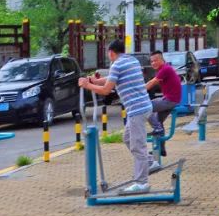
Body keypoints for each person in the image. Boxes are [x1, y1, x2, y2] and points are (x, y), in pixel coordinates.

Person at [78, 39, 153, 194]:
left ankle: (142, 183)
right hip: (143, 107)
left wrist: (88, 85)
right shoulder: (131, 60)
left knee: (137, 146)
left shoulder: (117, 65)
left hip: (137, 110)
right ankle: (149, 162)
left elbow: (106, 90)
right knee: (127, 138)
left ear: (111, 52)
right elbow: (112, 79)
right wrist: (96, 81)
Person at [145, 51, 183, 138]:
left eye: (155, 60)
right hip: (169, 100)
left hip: (170, 100)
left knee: (145, 106)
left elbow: (151, 83)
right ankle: (160, 145)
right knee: (158, 120)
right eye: (151, 61)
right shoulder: (164, 68)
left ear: (162, 60)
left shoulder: (165, 69)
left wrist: (138, 92)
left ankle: (157, 129)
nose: (153, 63)